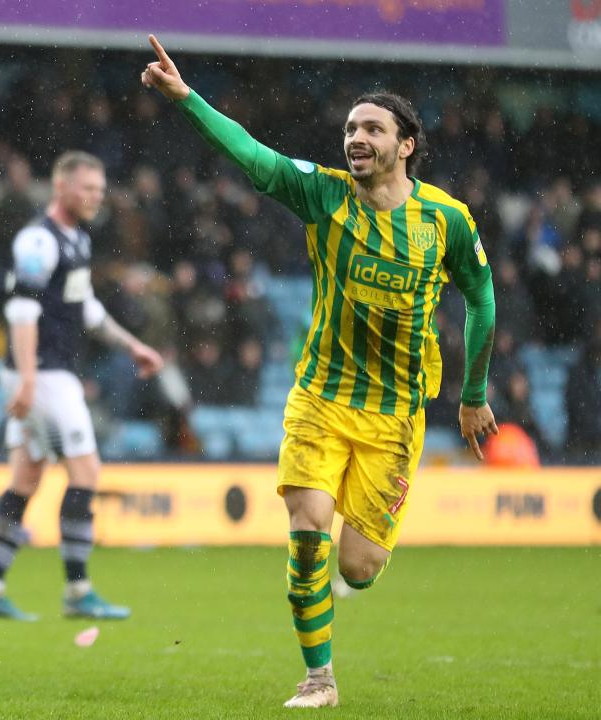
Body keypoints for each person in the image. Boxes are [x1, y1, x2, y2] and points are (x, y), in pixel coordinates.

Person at [142, 36, 498, 708]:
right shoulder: (324, 195)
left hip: (395, 415)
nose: (356, 139)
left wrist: (473, 395)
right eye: (350, 129)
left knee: (358, 567)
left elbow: (480, 297)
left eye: (372, 129)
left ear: (407, 144)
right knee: (308, 527)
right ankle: (319, 677)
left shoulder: (446, 220)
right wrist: (186, 98)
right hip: (321, 397)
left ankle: (349, 585)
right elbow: (252, 155)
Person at [0, 151, 164, 621]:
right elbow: (20, 310)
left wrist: (132, 345)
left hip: (49, 372)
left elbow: (86, 307)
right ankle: (78, 591)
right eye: (87, 189)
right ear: (61, 188)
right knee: (86, 473)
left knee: (25, 478)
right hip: (46, 375)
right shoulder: (39, 239)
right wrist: (29, 378)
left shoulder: (77, 239)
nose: (96, 197)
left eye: (99, 189)